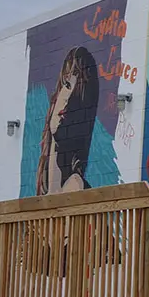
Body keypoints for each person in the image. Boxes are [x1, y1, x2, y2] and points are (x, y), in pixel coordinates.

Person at [35, 46, 99, 195]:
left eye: (77, 94)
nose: (68, 99)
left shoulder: (75, 186)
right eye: (67, 84)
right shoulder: (44, 188)